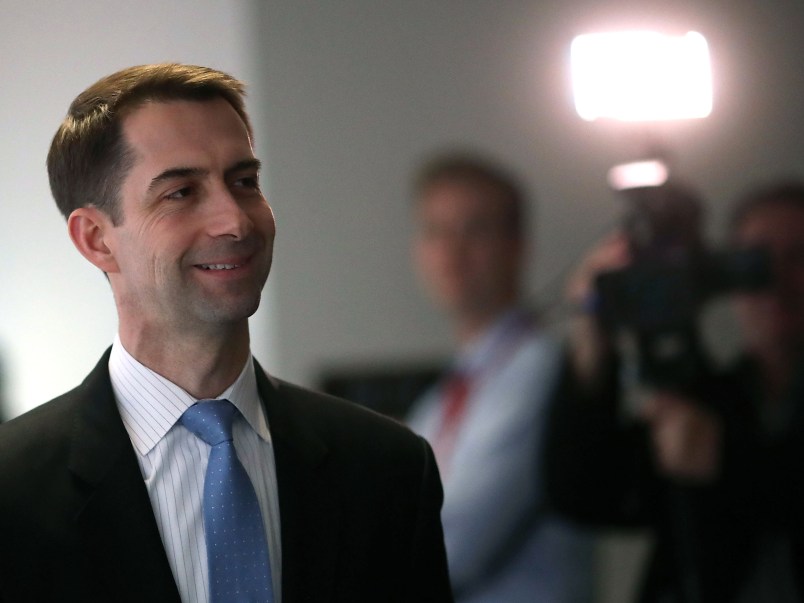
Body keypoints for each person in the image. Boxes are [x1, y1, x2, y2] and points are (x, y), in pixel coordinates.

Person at [0, 63, 453, 603]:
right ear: (97, 238)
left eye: (244, 182)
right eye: (182, 192)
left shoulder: (388, 469)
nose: (235, 221)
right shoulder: (12, 491)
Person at [545, 180, 804, 602]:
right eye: (755, 258)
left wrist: (726, 458)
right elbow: (585, 492)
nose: (774, 278)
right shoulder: (714, 399)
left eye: (798, 256)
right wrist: (592, 342)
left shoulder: (711, 419)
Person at [405, 152, 595, 603]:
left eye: (475, 229)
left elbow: (450, 547)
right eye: (437, 231)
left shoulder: (541, 373)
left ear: (517, 244)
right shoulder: (444, 396)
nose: (453, 251)